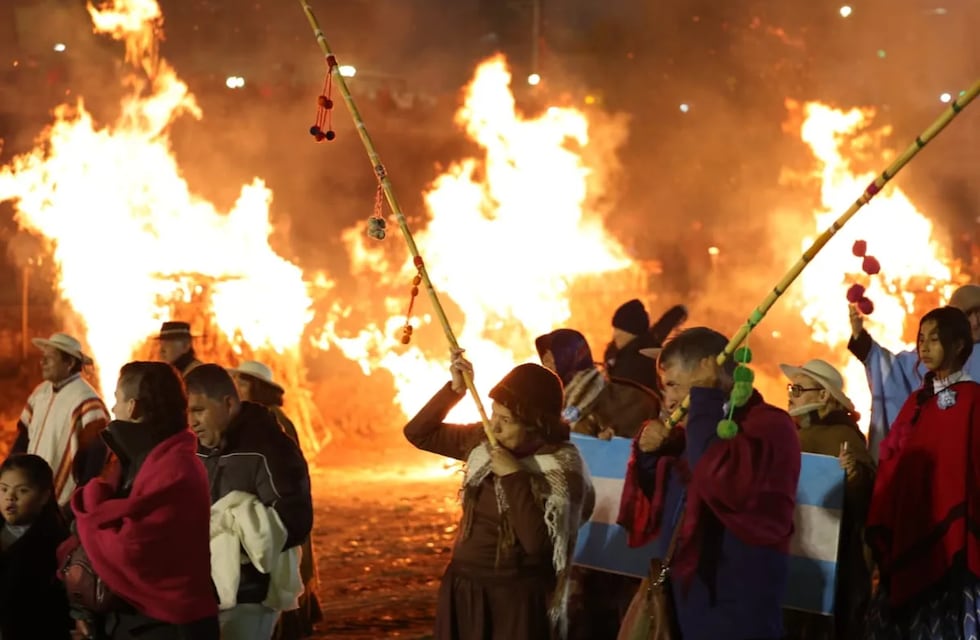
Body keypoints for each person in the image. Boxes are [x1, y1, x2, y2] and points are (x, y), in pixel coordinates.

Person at [616, 327, 800, 640]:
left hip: (735, 603)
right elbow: (659, 501)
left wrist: (704, 398)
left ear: (708, 371)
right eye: (664, 389)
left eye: (673, 385)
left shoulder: (769, 425)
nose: (669, 400)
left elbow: (718, 477)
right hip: (686, 600)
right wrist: (650, 456)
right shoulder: (696, 431)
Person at [403, 352, 595, 640]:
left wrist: (514, 476)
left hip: (515, 599)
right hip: (465, 587)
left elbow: (539, 545)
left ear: (536, 423)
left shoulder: (560, 467)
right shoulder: (485, 444)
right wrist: (454, 391)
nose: (495, 426)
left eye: (506, 419)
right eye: (494, 413)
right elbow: (419, 433)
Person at [61, 361, 219, 639]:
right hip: (134, 620)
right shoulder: (131, 459)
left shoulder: (176, 467)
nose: (113, 409)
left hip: (170, 626)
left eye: (117, 400)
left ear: (133, 407)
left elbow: (132, 549)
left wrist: (91, 522)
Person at [864, 306, 980, 638]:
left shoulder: (973, 400)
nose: (924, 347)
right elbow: (894, 463)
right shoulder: (917, 401)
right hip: (912, 525)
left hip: (958, 545)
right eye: (921, 339)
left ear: (958, 345)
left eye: (934, 338)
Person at [185, 364, 313, 640]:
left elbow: (295, 520)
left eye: (198, 410)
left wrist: (235, 529)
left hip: (251, 596)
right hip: (200, 590)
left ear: (228, 404)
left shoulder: (271, 448)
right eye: (187, 412)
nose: (191, 421)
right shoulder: (193, 449)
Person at [779, 359, 874, 640]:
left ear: (823, 396)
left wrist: (854, 476)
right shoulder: (792, 434)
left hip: (832, 562)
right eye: (791, 388)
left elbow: (865, 497)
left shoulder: (843, 436)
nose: (791, 395)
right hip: (794, 554)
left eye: (799, 388)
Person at [229, 360, 323, 640]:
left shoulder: (275, 421)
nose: (237, 387)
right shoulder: (247, 419)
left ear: (257, 388)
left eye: (243, 382)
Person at [848, 283, 980, 461]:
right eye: (968, 314)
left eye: (979, 313)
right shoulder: (928, 358)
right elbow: (894, 372)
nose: (975, 322)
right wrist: (861, 340)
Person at [9, 332, 109, 506]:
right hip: (29, 488)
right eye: (43, 357)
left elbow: (96, 454)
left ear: (69, 363)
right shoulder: (40, 392)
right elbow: (24, 436)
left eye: (50, 358)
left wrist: (81, 495)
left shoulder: (86, 400)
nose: (43, 362)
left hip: (63, 499)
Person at [536, 328, 660, 439]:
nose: (546, 362)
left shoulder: (629, 399)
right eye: (544, 357)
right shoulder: (547, 406)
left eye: (551, 356)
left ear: (569, 355)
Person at [0, 454, 72, 639]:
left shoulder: (57, 543)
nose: (10, 498)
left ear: (44, 496)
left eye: (22, 491)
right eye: (3, 489)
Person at [603, 299, 659, 390]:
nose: (615, 334)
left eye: (619, 329)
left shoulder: (636, 364)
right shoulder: (623, 356)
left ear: (632, 333)